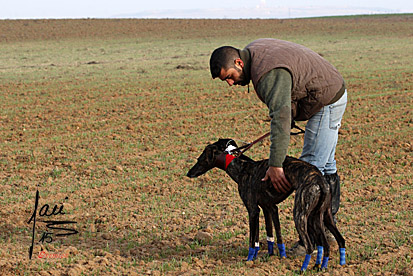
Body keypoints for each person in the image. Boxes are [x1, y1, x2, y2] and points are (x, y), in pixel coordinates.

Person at [209, 38, 347, 256]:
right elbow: (284, 98)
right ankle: (328, 229)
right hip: (328, 87)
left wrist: (275, 165)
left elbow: (280, 117)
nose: (230, 83)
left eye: (229, 77)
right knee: (326, 165)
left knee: (310, 170)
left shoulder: (266, 74)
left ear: (238, 63)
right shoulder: (254, 51)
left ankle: (310, 240)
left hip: (326, 99)